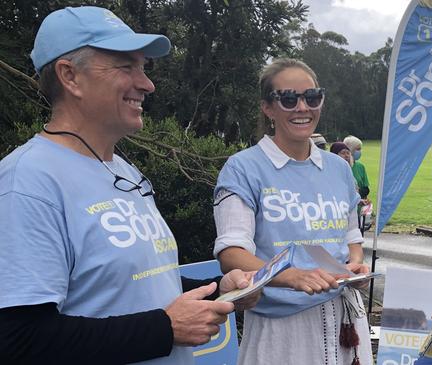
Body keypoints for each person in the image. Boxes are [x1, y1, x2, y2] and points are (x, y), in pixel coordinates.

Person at [0, 6, 258, 364]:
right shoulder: (27, 183)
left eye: (144, 68)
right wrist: (164, 329)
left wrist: (216, 292)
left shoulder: (125, 171)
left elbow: (136, 288)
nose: (147, 84)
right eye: (126, 66)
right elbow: (18, 339)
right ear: (70, 76)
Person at [213, 58, 373, 365]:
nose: (302, 107)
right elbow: (231, 253)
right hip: (282, 330)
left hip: (346, 319)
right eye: (288, 99)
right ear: (268, 108)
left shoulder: (339, 168)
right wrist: (291, 276)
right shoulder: (243, 168)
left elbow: (352, 234)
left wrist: (355, 266)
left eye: (312, 97)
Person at [343, 135, 370, 201]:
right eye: (358, 149)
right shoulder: (342, 166)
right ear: (350, 149)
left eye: (360, 149)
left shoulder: (360, 166)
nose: (360, 152)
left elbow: (366, 189)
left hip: (360, 204)